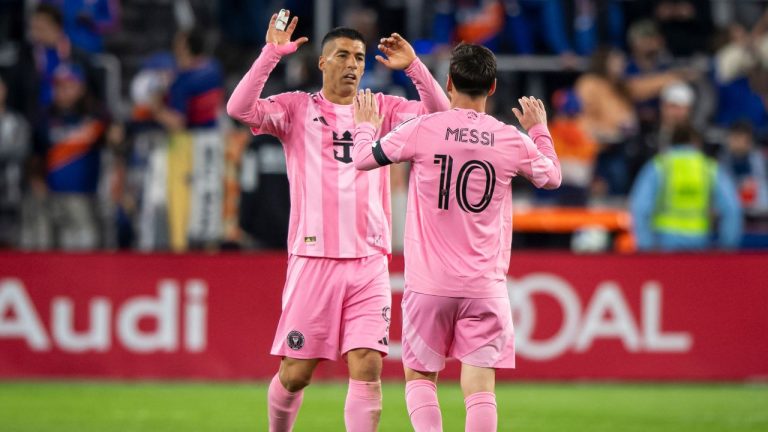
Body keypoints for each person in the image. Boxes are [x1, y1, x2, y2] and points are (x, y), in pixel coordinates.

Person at [226, 11, 449, 432]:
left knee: (367, 366)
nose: (352, 65)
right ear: (322, 63)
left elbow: (440, 116)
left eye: (360, 58)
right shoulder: (296, 108)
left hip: (369, 261)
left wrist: (415, 68)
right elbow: (238, 108)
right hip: (314, 259)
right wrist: (271, 54)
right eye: (343, 55)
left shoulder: (382, 108)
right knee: (296, 372)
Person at [351, 43, 561, 432]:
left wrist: (365, 125)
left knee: (419, 379)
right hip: (484, 286)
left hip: (429, 285)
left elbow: (364, 158)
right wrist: (539, 129)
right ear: (493, 87)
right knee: (480, 387)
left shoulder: (423, 129)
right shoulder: (509, 138)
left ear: (448, 82)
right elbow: (552, 177)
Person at [629, 123, 742, 251]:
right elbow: (731, 209)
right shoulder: (709, 168)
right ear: (697, 142)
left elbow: (640, 208)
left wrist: (646, 246)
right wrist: (727, 246)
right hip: (699, 241)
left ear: (670, 142)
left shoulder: (658, 166)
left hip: (665, 242)